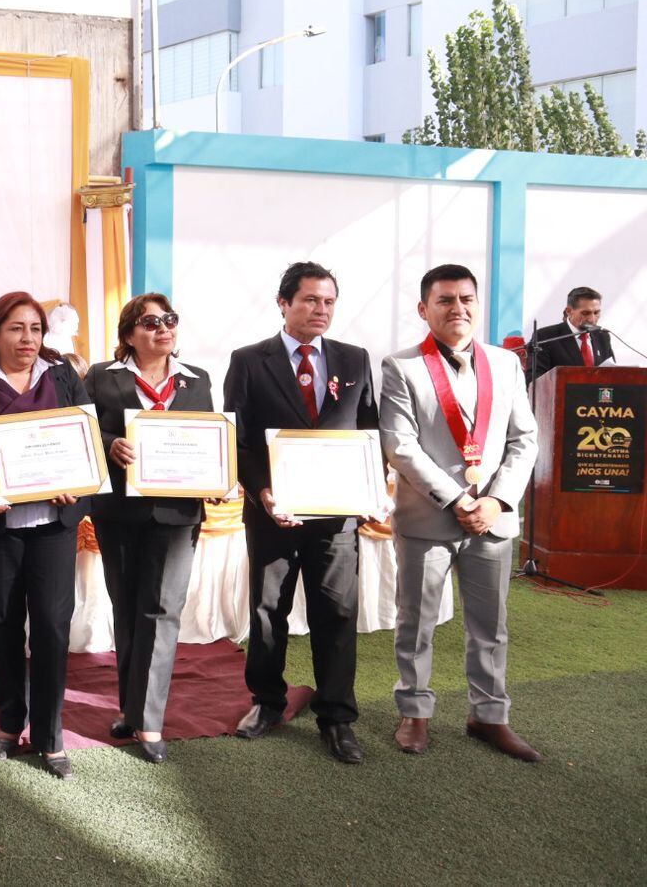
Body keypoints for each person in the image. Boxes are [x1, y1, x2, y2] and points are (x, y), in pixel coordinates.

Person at [379, 264, 540, 761]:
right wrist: (457, 498)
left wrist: (496, 500)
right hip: (429, 519)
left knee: (491, 625)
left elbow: (525, 439)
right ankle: (415, 713)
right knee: (417, 622)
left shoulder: (507, 365)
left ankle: (489, 715)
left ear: (477, 305)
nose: (458, 308)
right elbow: (400, 445)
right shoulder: (400, 366)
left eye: (466, 299)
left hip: (493, 518)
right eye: (445, 300)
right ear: (424, 309)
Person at [223, 262, 380, 765]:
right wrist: (263, 491)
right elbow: (238, 439)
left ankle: (336, 718)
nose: (321, 310)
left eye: (329, 301)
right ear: (284, 303)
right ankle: (267, 702)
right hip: (272, 512)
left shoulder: (355, 359)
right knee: (268, 612)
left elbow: (369, 434)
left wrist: (370, 489)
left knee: (336, 612)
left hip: (337, 518)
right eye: (311, 300)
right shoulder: (248, 361)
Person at [0, 292, 89, 779]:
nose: (27, 339)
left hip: (53, 523)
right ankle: (10, 724)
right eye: (16, 329)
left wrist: (77, 480)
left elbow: (85, 438)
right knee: (4, 622)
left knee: (51, 625)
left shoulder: (63, 375)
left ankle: (49, 734)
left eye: (34, 329)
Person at [84, 293, 213, 764]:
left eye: (170, 320)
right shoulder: (102, 376)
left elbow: (210, 443)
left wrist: (218, 478)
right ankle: (130, 708)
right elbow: (83, 430)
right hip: (119, 511)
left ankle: (150, 722)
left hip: (178, 515)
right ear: (129, 334)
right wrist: (111, 442)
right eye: (150, 322)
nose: (163, 329)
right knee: (127, 609)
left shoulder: (198, 381)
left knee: (162, 610)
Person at [528, 285, 614, 382]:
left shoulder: (602, 336)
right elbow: (534, 379)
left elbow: (613, 373)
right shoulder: (546, 336)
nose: (592, 319)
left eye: (596, 313)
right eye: (586, 313)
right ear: (569, 311)